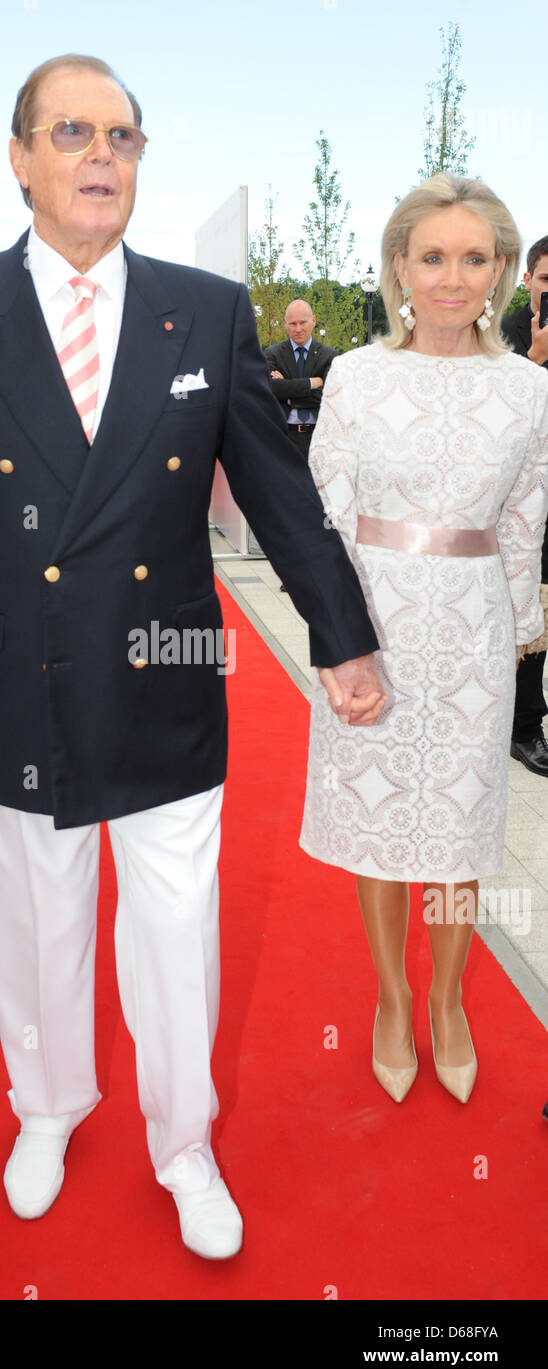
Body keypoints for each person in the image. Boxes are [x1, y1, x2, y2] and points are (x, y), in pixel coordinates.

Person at [0, 54, 384, 1259]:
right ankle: (44, 1109)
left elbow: (276, 491)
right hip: (3, 676)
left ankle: (183, 1137)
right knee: (39, 923)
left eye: (125, 138)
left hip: (165, 663)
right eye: (75, 132)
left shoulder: (202, 308)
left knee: (174, 929)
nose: (103, 156)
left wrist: (340, 636)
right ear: (22, 158)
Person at [300, 173, 548, 1107]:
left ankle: (449, 999)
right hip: (375, 624)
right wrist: (336, 635)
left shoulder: (529, 391)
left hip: (475, 632)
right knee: (381, 823)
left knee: (457, 824)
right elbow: (324, 507)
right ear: (400, 265)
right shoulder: (359, 374)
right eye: (433, 256)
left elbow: (525, 516)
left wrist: (522, 624)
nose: (453, 278)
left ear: (501, 271)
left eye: (475, 258)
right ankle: (392, 997)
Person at [502, 236, 548, 775]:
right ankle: (524, 726)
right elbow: (498, 429)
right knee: (531, 616)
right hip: (524, 504)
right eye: (546, 279)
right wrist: (535, 360)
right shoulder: (503, 338)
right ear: (529, 281)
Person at [265, 300, 335, 464]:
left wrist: (287, 390)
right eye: (292, 323)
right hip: (284, 437)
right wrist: (311, 383)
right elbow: (271, 388)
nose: (298, 329)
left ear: (314, 321)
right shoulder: (272, 354)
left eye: (303, 323)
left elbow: (327, 395)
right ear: (285, 324)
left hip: (319, 438)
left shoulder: (329, 356)